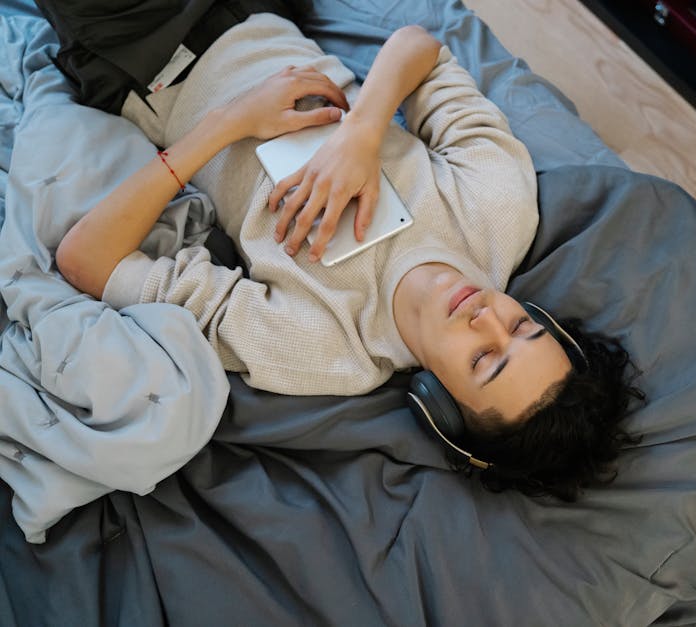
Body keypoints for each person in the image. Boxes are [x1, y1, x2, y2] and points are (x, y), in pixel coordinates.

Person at [55, 13, 643, 499]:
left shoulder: (323, 347)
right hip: (260, 12)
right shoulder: (500, 212)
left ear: (440, 404)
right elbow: (422, 48)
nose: (486, 315)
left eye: (485, 358)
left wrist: (228, 123)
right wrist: (362, 131)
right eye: (521, 326)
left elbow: (87, 258)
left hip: (146, 53)